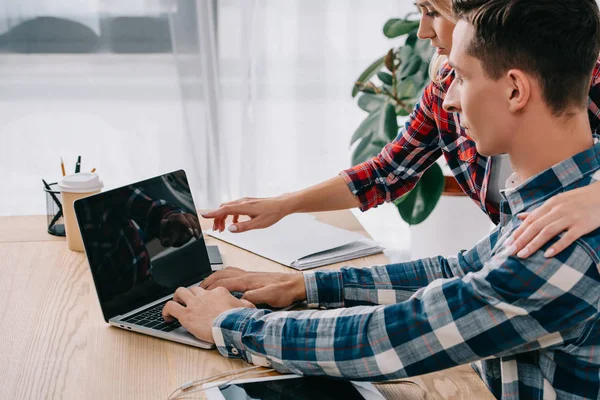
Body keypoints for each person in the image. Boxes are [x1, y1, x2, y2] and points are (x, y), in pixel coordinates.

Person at [162, 0, 600, 398]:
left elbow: (398, 337)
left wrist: (230, 325)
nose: (447, 99)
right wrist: (305, 286)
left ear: (514, 90)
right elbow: (463, 270)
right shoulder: (556, 197)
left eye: (462, 77)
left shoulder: (563, 245)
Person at [201, 0, 600, 261]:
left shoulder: (577, 78)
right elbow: (386, 172)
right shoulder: (447, 87)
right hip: (527, 259)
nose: (423, 31)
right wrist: (282, 205)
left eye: (433, 11)